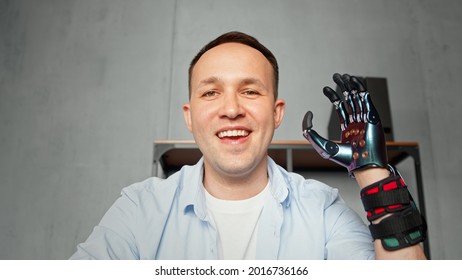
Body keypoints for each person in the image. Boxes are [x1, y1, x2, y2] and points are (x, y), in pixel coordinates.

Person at [70, 31, 427, 260]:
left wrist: (376, 177)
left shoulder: (323, 210)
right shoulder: (140, 208)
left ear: (276, 113)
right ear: (190, 116)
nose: (231, 110)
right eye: (211, 93)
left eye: (250, 91)